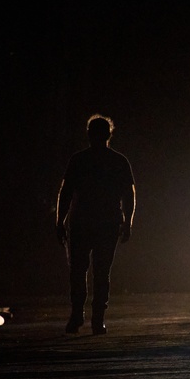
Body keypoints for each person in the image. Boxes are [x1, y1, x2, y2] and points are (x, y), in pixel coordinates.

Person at [55, 114, 136, 335]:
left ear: (89, 134)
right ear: (110, 134)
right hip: (106, 223)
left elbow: (66, 192)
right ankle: (97, 319)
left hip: (82, 221)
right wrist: (127, 222)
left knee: (79, 271)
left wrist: (60, 220)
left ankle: (78, 315)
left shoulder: (79, 160)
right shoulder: (118, 161)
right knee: (101, 271)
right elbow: (128, 195)